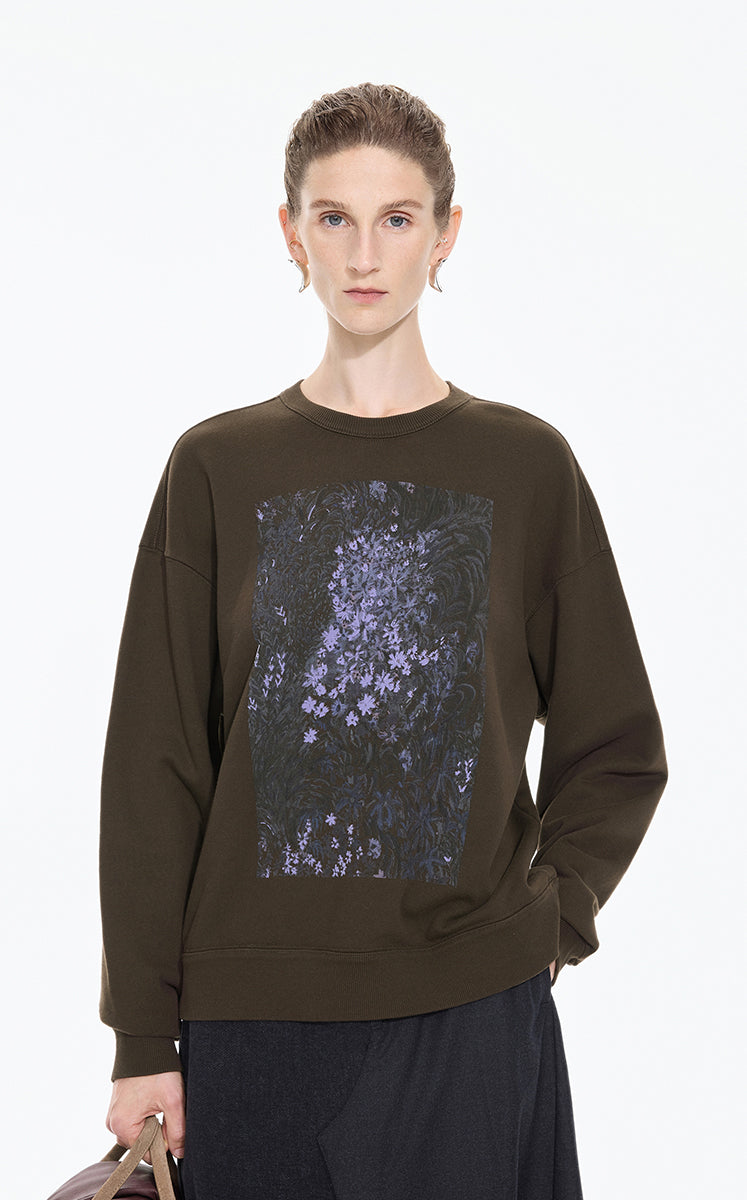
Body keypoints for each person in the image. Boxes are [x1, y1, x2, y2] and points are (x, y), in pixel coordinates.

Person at [99, 82, 668, 1200]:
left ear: (445, 235)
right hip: (250, 1020)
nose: (364, 254)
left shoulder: (526, 467)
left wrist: (549, 922)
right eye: (334, 217)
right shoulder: (216, 467)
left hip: (470, 1014)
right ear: (291, 233)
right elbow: (154, 768)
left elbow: (617, 745)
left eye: (397, 218)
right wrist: (141, 1037)